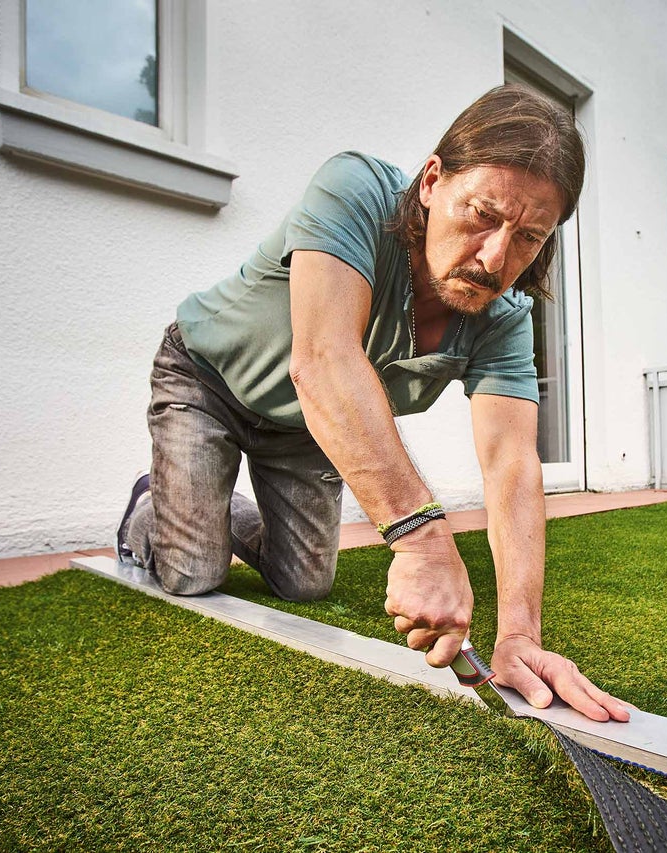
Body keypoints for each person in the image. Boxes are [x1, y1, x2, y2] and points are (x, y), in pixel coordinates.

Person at [118, 84, 631, 723]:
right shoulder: (354, 190)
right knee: (194, 572)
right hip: (208, 379)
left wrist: (519, 632)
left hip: (308, 429)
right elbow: (325, 362)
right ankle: (154, 508)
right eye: (482, 215)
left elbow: (512, 465)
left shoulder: (505, 316)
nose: (497, 258)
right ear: (431, 180)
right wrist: (422, 543)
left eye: (529, 236)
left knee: (304, 582)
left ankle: (200, 505)